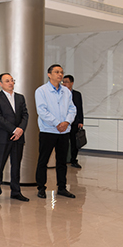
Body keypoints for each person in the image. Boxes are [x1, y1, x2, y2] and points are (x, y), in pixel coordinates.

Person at [35, 64, 77, 199]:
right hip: (48, 130)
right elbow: (42, 111)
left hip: (64, 132)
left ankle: (62, 187)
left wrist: (66, 122)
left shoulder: (66, 91)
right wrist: (57, 123)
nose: (60, 75)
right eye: (57, 72)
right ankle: (41, 188)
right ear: (49, 74)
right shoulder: (41, 91)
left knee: (62, 161)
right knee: (43, 160)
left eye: (61, 72)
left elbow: (72, 109)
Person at [0, 73, 29, 202]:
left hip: (18, 137)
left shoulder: (20, 97)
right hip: (3, 137)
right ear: (0, 84)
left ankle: (16, 191)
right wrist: (13, 129)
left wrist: (20, 129)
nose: (10, 83)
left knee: (16, 165)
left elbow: (25, 115)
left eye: (12, 80)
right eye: (7, 81)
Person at [62, 74, 84, 169]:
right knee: (63, 142)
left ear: (72, 83)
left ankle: (73, 160)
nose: (64, 84)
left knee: (74, 143)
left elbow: (79, 108)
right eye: (63, 82)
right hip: (63, 123)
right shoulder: (60, 94)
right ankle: (63, 160)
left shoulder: (77, 94)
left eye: (66, 82)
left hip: (74, 123)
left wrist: (81, 121)